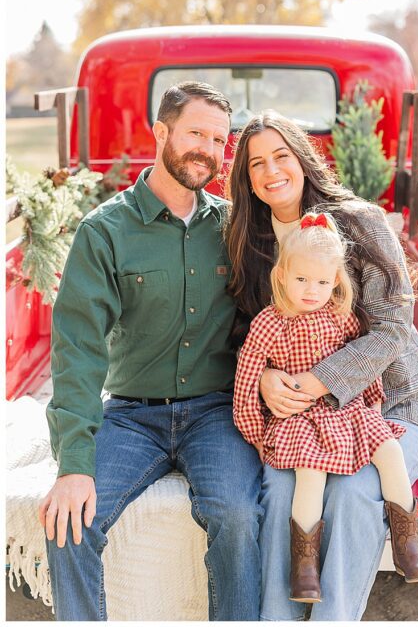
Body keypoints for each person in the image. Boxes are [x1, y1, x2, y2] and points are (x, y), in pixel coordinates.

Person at [38, 82, 262, 620]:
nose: (207, 149)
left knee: (236, 516)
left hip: (216, 413)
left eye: (218, 139)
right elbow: (78, 348)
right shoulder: (104, 231)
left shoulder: (232, 227)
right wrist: (73, 462)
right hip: (132, 414)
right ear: (160, 132)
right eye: (195, 133)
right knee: (70, 522)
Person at [223, 110, 418, 620]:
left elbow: (392, 327)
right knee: (281, 491)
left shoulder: (359, 222)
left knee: (353, 493)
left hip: (394, 403)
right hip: (300, 421)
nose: (270, 171)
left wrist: (320, 379)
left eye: (281, 156)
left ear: (302, 159)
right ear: (246, 178)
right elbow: (241, 334)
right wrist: (263, 377)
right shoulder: (246, 240)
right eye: (256, 163)